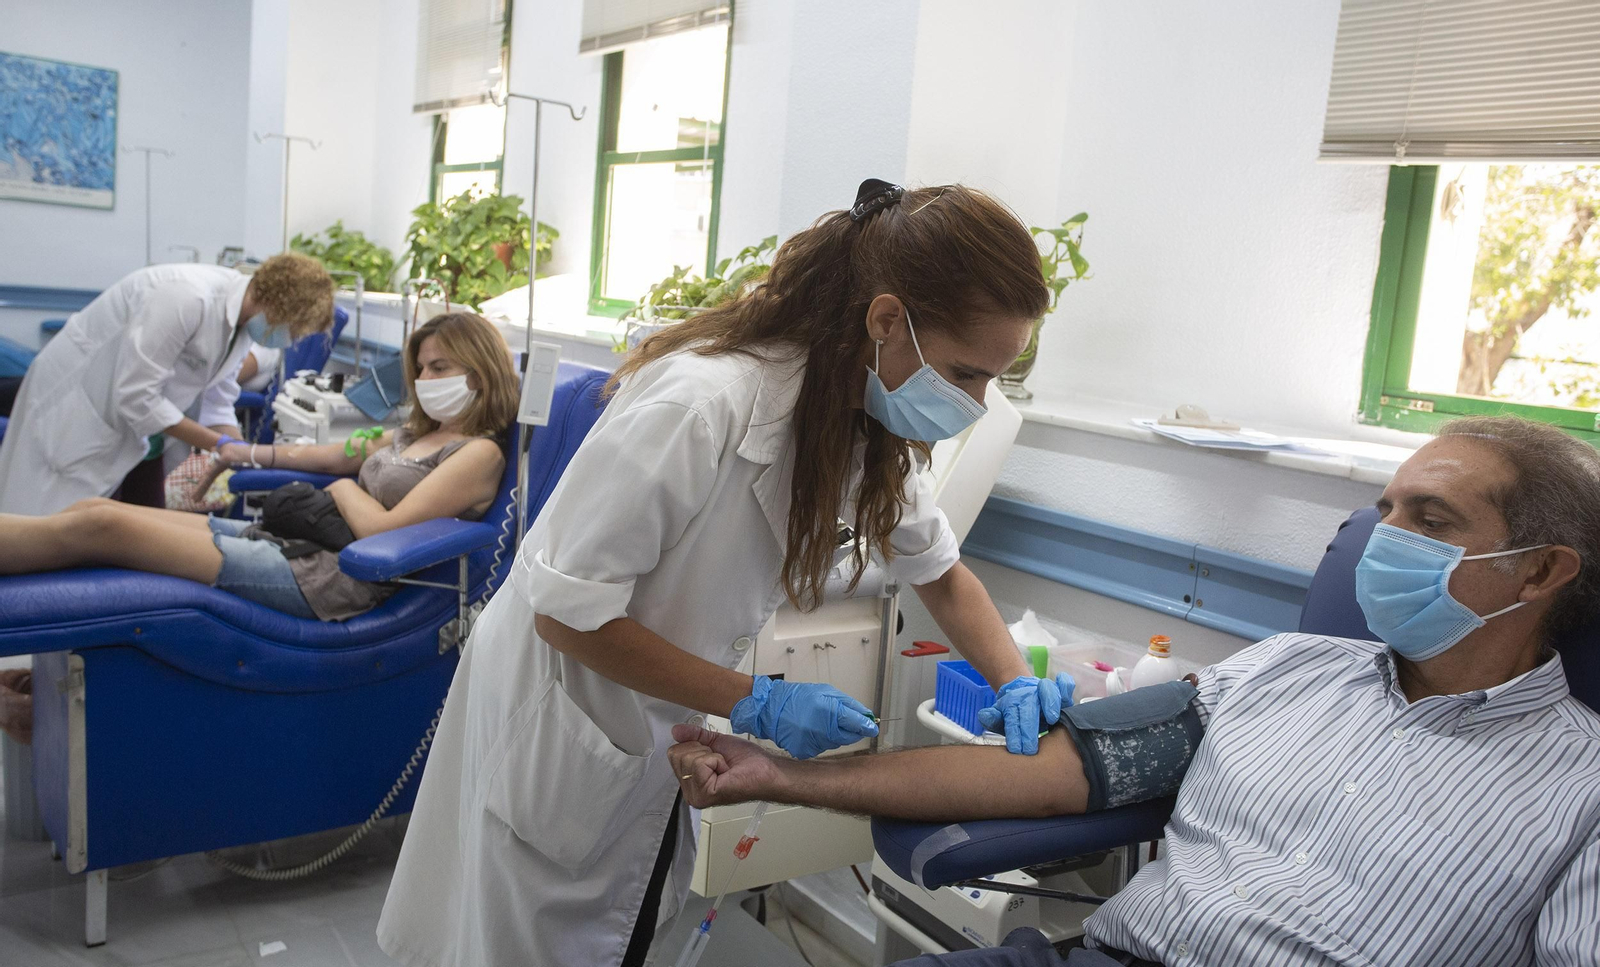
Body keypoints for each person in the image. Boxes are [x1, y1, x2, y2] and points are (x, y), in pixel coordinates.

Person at [377, 181, 1075, 967]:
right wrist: (757, 700)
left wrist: (1015, 677)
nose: (976, 403)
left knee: (630, 925)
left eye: (992, 381)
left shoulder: (859, 419)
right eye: (966, 372)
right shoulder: (701, 403)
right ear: (886, 320)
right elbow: (565, 616)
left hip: (644, 729)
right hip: (559, 711)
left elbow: (942, 573)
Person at [668, 415, 1600, 967]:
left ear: (1538, 572)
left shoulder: (1581, 789)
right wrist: (777, 775)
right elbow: (1045, 776)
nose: (1382, 536)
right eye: (1386, 508)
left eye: (1428, 520)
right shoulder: (1281, 671)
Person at [0, 311, 515, 622]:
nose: (425, 378)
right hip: (297, 547)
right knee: (90, 507)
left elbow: (382, 529)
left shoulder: (477, 454)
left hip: (335, 580)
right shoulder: (416, 433)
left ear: (480, 371)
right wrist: (242, 452)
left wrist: (340, 489)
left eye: (440, 368)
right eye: (421, 368)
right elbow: (327, 454)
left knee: (103, 524)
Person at [0, 254, 334, 515]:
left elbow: (219, 399)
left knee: (100, 524)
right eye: (296, 328)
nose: (292, 339)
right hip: (77, 407)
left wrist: (243, 453)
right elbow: (136, 396)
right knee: (36, 520)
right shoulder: (186, 296)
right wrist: (219, 444)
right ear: (279, 306)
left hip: (132, 429)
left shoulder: (242, 327)